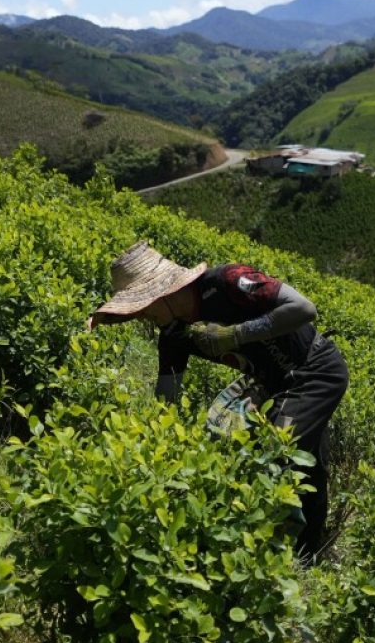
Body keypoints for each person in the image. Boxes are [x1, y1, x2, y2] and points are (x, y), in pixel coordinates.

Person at [89, 241, 349, 563]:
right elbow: (166, 401)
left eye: (144, 308)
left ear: (162, 294)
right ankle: (311, 556)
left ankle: (277, 560)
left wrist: (235, 335)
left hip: (315, 370)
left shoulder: (226, 283)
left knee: (279, 451)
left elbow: (304, 309)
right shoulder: (174, 334)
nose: (143, 317)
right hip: (274, 385)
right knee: (309, 464)